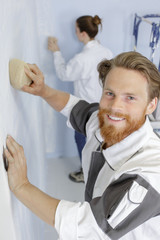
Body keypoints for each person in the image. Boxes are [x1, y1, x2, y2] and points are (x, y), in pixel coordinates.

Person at [5, 51, 160, 239]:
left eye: (130, 98)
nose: (115, 106)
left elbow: (90, 226)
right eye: (110, 93)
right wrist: (44, 90)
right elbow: (76, 108)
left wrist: (21, 185)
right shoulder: (104, 121)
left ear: (151, 105)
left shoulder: (150, 174)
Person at [48, 15, 113, 183]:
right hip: (106, 107)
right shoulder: (107, 52)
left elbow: (64, 74)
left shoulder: (82, 59)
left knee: (82, 139)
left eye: (76, 30)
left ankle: (86, 172)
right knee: (101, 139)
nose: (75, 33)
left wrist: (56, 52)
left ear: (83, 34)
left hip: (86, 109)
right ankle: (102, 172)